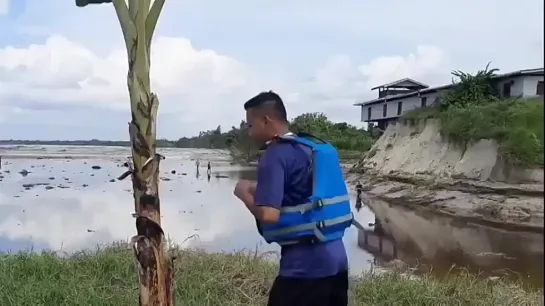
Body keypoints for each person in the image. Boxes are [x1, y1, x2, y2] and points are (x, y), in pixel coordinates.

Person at [233, 91, 351, 306]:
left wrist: (243, 194)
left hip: (305, 268)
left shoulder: (274, 155)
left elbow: (269, 215)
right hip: (338, 260)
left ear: (265, 120)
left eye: (250, 126)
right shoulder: (309, 147)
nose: (249, 132)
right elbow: (303, 193)